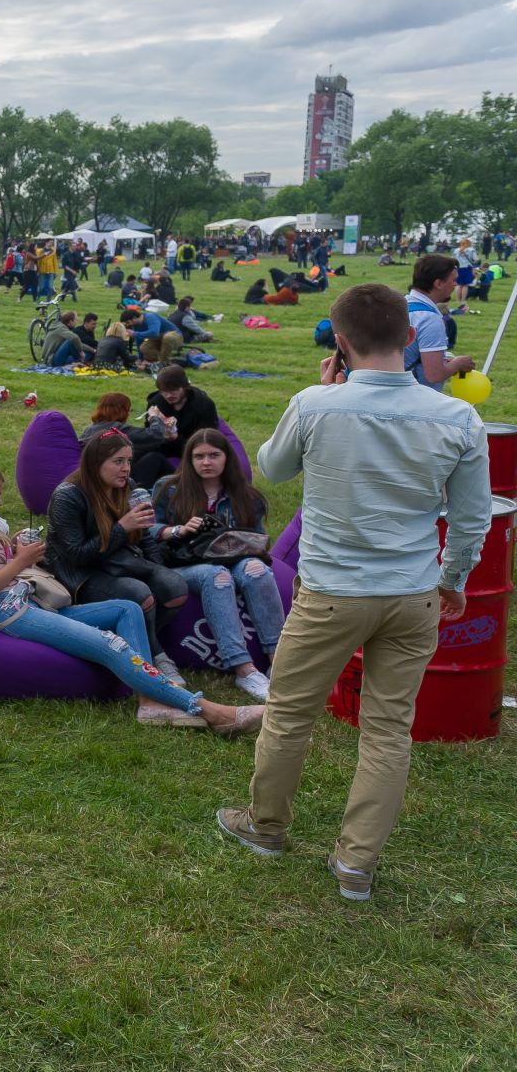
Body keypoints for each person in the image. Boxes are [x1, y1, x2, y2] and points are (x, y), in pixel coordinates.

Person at [217, 284, 492, 900]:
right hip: (412, 592)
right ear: (412, 339)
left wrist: (325, 394)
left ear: (340, 344)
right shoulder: (457, 417)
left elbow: (272, 466)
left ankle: (266, 828)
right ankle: (355, 864)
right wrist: (455, 580)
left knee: (290, 714)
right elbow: (472, 518)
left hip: (332, 591)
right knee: (390, 729)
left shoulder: (318, 403)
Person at [0, 463, 261, 733]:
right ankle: (206, 709)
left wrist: (16, 548)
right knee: (110, 643)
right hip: (13, 611)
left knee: (127, 609)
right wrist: (21, 561)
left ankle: (150, 703)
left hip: (31, 600)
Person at [150, 429, 281, 700]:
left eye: (213, 455)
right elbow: (149, 529)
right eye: (198, 456)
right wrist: (177, 530)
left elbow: (256, 540)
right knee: (217, 576)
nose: (206, 462)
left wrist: (252, 551)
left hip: (235, 558)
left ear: (226, 459)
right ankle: (243, 669)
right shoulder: (168, 487)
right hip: (184, 563)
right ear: (189, 459)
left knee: (259, 572)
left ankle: (279, 662)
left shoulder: (246, 495)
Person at [47, 429, 191, 674]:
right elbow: (77, 555)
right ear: (95, 463)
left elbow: (146, 538)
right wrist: (122, 528)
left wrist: (158, 569)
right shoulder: (67, 496)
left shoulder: (127, 487)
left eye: (128, 461)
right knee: (139, 593)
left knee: (175, 588)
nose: (126, 468)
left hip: (119, 561)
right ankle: (157, 657)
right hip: (80, 574)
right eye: (118, 461)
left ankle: (127, 643)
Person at [405, 255, 472, 389]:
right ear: (439, 283)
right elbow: (434, 375)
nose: (455, 285)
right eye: (453, 280)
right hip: (416, 399)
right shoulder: (430, 320)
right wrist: (457, 364)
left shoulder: (400, 305)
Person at [143, 365, 218, 462]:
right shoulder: (156, 402)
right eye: (164, 392)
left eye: (173, 390)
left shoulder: (203, 405)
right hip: (161, 448)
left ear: (185, 387)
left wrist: (174, 438)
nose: (168, 395)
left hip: (193, 450)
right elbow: (148, 434)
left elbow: (205, 443)